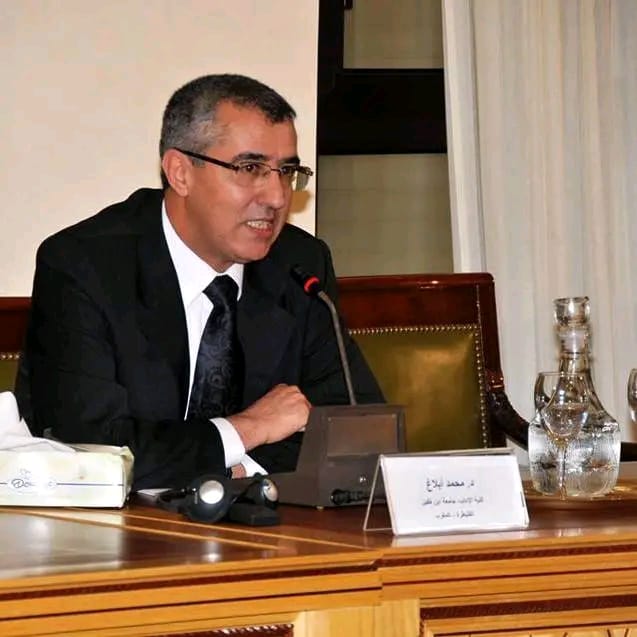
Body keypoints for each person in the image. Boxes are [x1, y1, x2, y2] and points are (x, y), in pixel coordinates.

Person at [15, 74, 383, 490]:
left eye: (286, 171)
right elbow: (88, 450)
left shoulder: (299, 265)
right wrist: (247, 429)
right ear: (180, 173)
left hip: (260, 524)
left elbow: (357, 432)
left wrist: (235, 472)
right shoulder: (85, 266)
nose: (278, 197)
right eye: (250, 168)